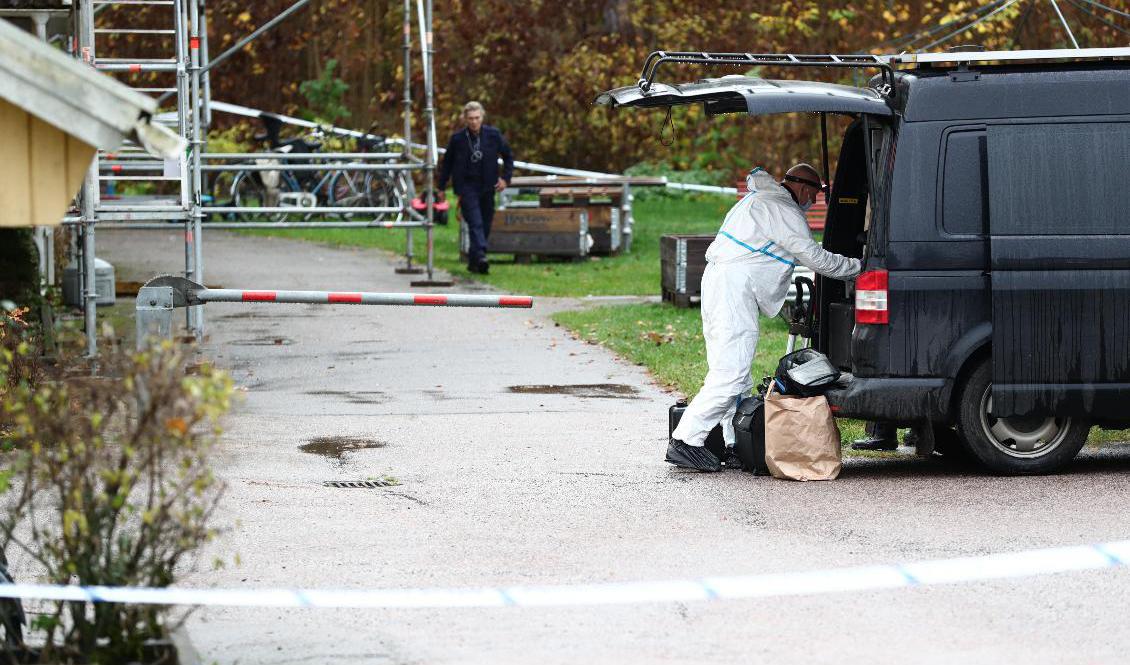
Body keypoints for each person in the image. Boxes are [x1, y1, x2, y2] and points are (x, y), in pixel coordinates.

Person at [667, 163, 862, 472]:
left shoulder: (760, 200)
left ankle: (734, 444)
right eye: (815, 193)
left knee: (735, 372)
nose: (814, 199)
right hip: (733, 289)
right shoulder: (781, 208)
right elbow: (815, 257)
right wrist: (860, 267)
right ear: (803, 188)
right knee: (731, 372)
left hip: (722, 283)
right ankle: (686, 439)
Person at [437, 101, 514, 275]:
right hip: (466, 187)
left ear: (482, 117)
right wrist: (441, 187)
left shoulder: (493, 135)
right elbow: (447, 163)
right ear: (465, 119)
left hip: (488, 185)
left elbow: (508, 156)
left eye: (477, 118)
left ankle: (474, 261)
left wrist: (505, 179)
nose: (474, 122)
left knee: (486, 223)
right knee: (475, 222)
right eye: (470, 118)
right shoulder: (457, 139)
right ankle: (481, 256)